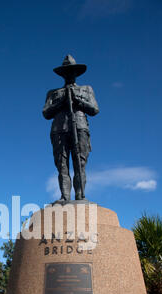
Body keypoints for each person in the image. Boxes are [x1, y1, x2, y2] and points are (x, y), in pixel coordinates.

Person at [43, 55, 99, 203]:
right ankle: (64, 196)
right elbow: (46, 113)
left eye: (72, 71)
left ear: (76, 73)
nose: (69, 74)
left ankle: (80, 195)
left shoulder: (86, 89)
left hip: (80, 127)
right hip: (59, 129)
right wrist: (61, 102)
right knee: (61, 164)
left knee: (79, 163)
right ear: (62, 74)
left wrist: (77, 100)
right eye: (66, 71)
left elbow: (94, 109)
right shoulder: (53, 93)